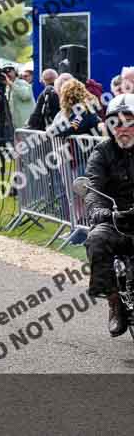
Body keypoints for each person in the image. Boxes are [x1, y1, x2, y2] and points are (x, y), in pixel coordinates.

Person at [84, 93, 134, 337]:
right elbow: (92, 187)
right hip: (115, 219)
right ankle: (114, 301)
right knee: (96, 240)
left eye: (129, 122)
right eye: (116, 122)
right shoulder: (102, 151)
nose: (122, 128)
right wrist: (99, 211)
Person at [4, 64, 35, 131]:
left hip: (25, 123)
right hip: (15, 123)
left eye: (10, 71)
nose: (8, 73)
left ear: (15, 72)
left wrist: (11, 84)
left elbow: (26, 96)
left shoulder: (22, 83)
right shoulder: (7, 87)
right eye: (5, 72)